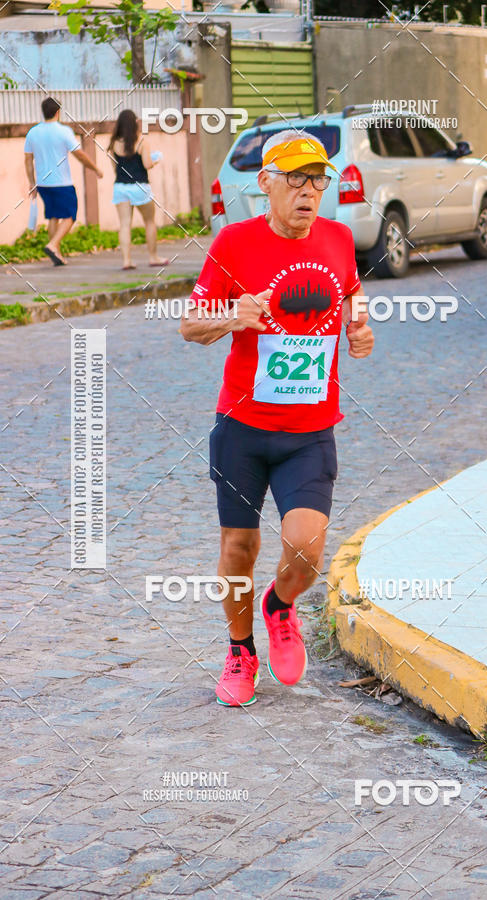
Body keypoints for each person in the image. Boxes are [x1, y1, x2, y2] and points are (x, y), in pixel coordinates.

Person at [181, 130, 374, 707]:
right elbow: (190, 325)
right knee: (239, 546)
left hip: (310, 433)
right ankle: (240, 650)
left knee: (307, 549)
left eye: (317, 179)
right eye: (295, 178)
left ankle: (279, 605)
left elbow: (351, 294)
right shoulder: (234, 242)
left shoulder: (339, 238)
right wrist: (231, 316)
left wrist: (359, 328)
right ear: (265, 183)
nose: (308, 190)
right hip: (242, 428)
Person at [24, 97, 103, 266]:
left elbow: (28, 160)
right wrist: (95, 168)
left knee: (53, 216)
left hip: (43, 184)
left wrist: (32, 182)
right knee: (70, 216)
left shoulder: (33, 132)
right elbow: (79, 154)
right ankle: (53, 245)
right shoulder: (63, 131)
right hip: (62, 183)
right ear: (58, 112)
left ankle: (57, 254)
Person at [108, 110, 168, 270]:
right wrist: (156, 160)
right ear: (135, 123)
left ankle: (126, 261)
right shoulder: (141, 142)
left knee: (124, 224)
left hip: (120, 187)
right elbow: (147, 164)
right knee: (149, 222)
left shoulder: (114, 143)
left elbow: (114, 167)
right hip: (140, 187)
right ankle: (153, 257)